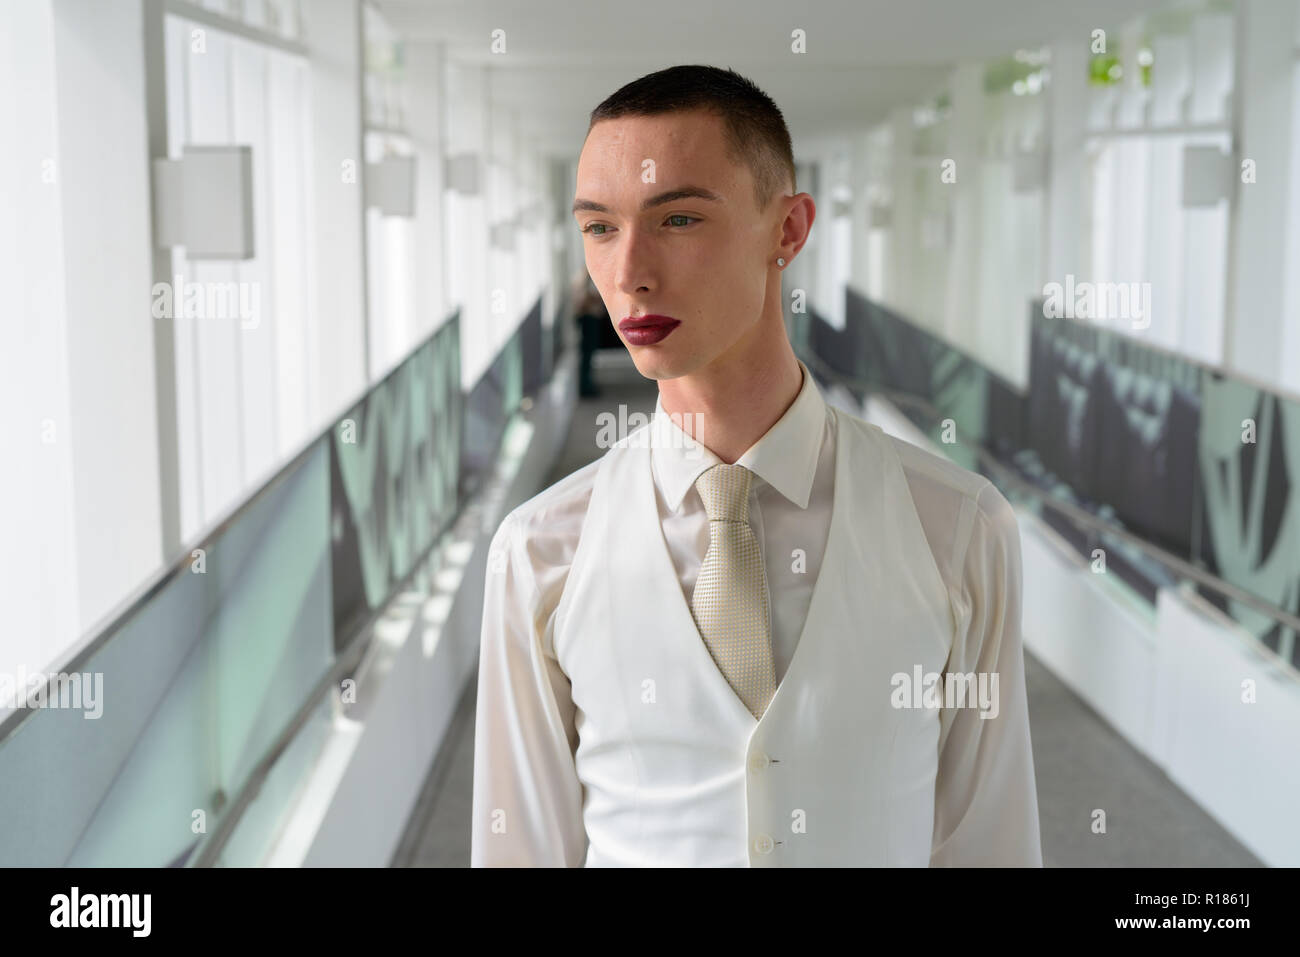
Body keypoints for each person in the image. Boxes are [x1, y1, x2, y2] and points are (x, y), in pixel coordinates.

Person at [471, 64, 1042, 866]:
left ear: (788, 229)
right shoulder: (537, 551)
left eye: (677, 220)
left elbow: (991, 842)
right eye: (600, 227)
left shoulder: (957, 527)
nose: (629, 272)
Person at [574, 273, 604, 397]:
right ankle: (586, 386)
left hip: (589, 319)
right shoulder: (583, 283)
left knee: (588, 355)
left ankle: (587, 384)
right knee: (587, 354)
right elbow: (583, 302)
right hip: (588, 319)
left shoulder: (583, 281)